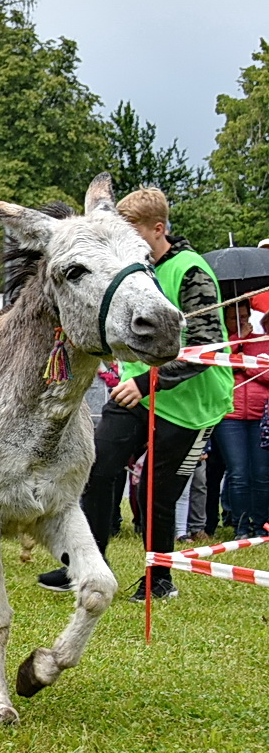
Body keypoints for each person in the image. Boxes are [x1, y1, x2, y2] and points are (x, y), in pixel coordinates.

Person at [38, 187, 231, 602]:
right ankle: (85, 564)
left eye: (132, 231)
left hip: (189, 404)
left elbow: (207, 348)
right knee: (97, 467)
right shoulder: (131, 267)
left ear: (157, 229)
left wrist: (146, 382)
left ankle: (160, 579)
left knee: (156, 492)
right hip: (135, 394)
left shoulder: (191, 270)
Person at [216, 299, 269, 539]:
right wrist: (237, 340)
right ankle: (240, 527)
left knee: (261, 472)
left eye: (245, 316)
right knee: (237, 472)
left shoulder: (262, 341)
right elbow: (219, 367)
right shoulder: (223, 343)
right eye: (234, 317)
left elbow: (265, 372)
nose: (242, 321)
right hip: (231, 415)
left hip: (260, 414)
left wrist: (246, 368)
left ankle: (260, 525)